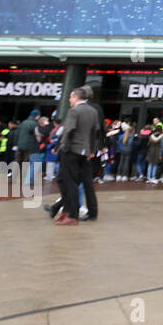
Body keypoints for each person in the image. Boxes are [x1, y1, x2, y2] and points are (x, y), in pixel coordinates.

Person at [55, 87, 102, 225]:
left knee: (69, 182)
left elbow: (69, 130)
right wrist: (92, 150)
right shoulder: (93, 111)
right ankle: (69, 213)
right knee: (82, 182)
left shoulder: (74, 111)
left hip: (72, 150)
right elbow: (95, 132)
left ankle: (71, 215)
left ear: (76, 97)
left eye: (70, 97)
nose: (69, 99)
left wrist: (63, 147)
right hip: (85, 151)